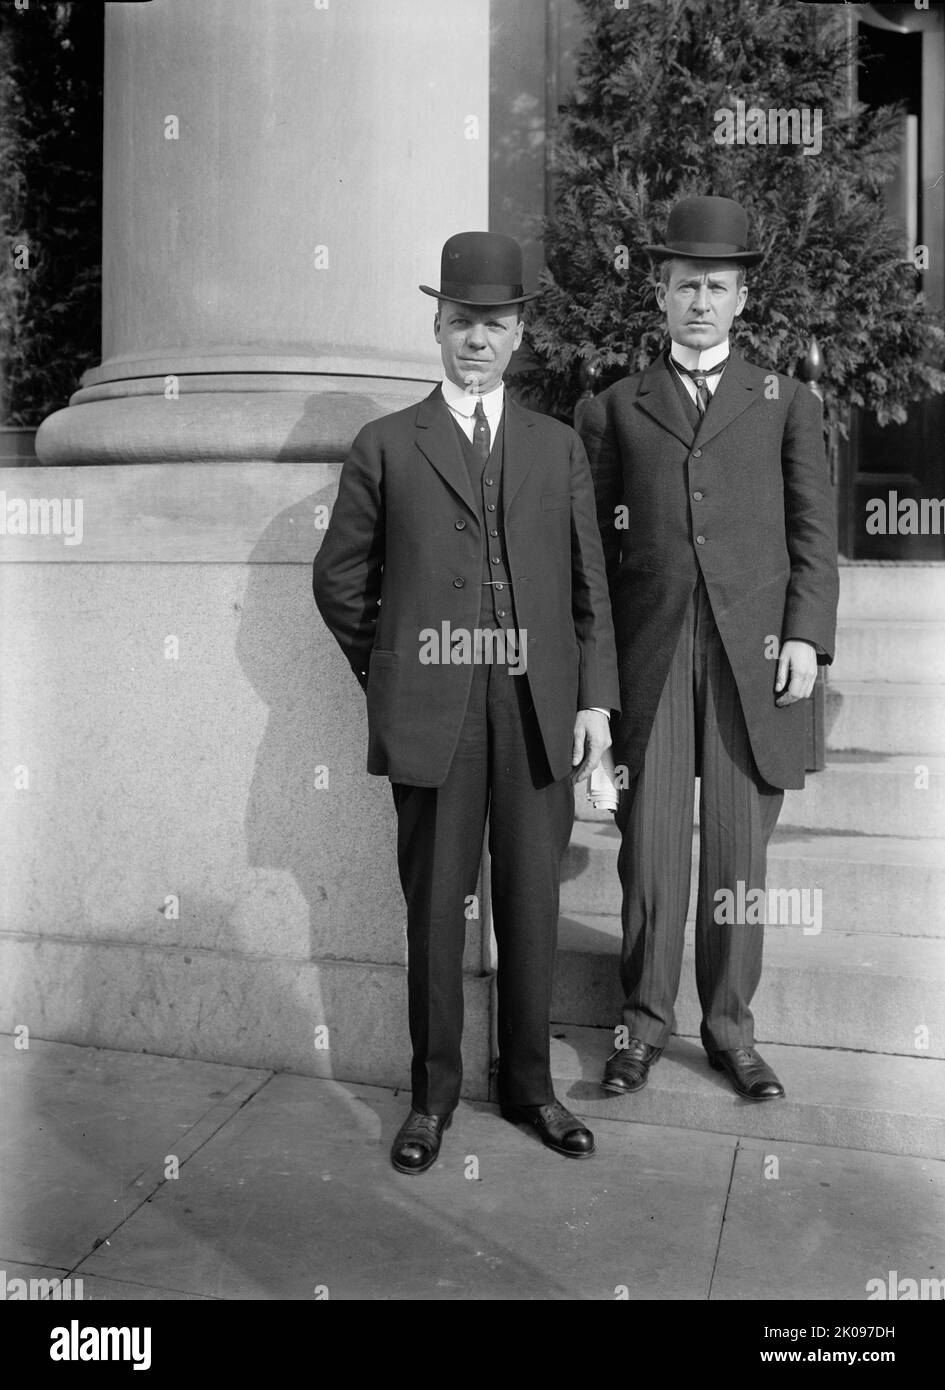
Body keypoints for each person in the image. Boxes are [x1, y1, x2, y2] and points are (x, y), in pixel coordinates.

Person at [313, 232, 619, 1172]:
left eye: (493, 324)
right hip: (431, 716)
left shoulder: (556, 445)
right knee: (435, 910)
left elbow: (586, 589)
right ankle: (431, 1098)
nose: (475, 339)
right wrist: (393, 670)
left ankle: (532, 1090)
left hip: (533, 712)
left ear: (519, 332)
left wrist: (593, 707)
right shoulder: (384, 445)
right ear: (436, 328)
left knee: (528, 905)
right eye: (460, 323)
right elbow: (338, 581)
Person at [580, 196, 838, 1102]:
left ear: (740, 300)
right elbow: (592, 563)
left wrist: (806, 634)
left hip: (749, 657)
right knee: (648, 858)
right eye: (684, 284)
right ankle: (641, 1026)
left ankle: (730, 1030)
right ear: (658, 294)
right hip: (652, 656)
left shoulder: (784, 403)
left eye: (716, 286)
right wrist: (596, 684)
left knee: (738, 859)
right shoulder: (612, 409)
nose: (699, 301)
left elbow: (813, 533)